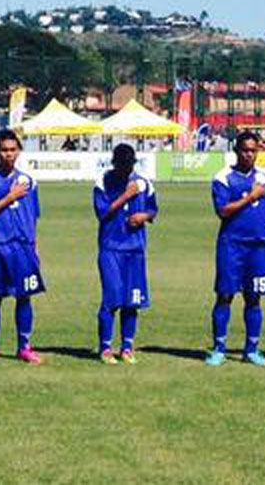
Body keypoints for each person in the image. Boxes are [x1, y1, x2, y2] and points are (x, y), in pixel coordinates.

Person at [206, 131, 265, 366]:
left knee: (254, 297)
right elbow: (223, 211)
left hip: (257, 247)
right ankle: (219, 348)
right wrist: (251, 197)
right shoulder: (223, 178)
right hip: (231, 246)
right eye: (245, 150)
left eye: (253, 150)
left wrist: (258, 225)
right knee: (225, 295)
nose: (249, 155)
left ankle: (251, 349)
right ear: (236, 151)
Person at [0, 129, 45, 365]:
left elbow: (33, 216)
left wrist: (35, 246)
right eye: (4, 150)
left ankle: (24, 347)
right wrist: (10, 196)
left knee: (24, 297)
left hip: (24, 247)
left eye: (13, 150)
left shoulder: (29, 181)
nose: (9, 154)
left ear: (19, 151)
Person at [92, 144, 158, 364]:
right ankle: (105, 348)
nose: (126, 169)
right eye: (122, 165)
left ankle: (127, 347)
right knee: (112, 298)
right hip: (111, 248)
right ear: (114, 162)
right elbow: (102, 212)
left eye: (129, 165)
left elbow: (153, 209)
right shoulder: (104, 182)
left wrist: (144, 216)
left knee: (132, 301)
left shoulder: (144, 183)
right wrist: (126, 195)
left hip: (135, 249)